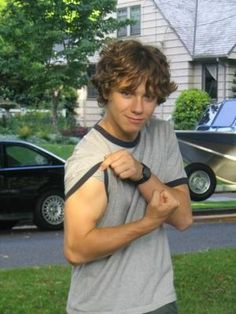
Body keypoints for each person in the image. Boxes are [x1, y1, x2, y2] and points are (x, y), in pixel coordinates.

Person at [64, 39, 192, 314]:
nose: (138, 108)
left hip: (159, 300)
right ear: (107, 91)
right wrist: (148, 223)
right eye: (127, 93)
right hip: (102, 307)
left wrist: (142, 174)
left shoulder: (161, 133)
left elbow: (182, 217)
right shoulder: (90, 159)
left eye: (148, 96)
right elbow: (76, 249)